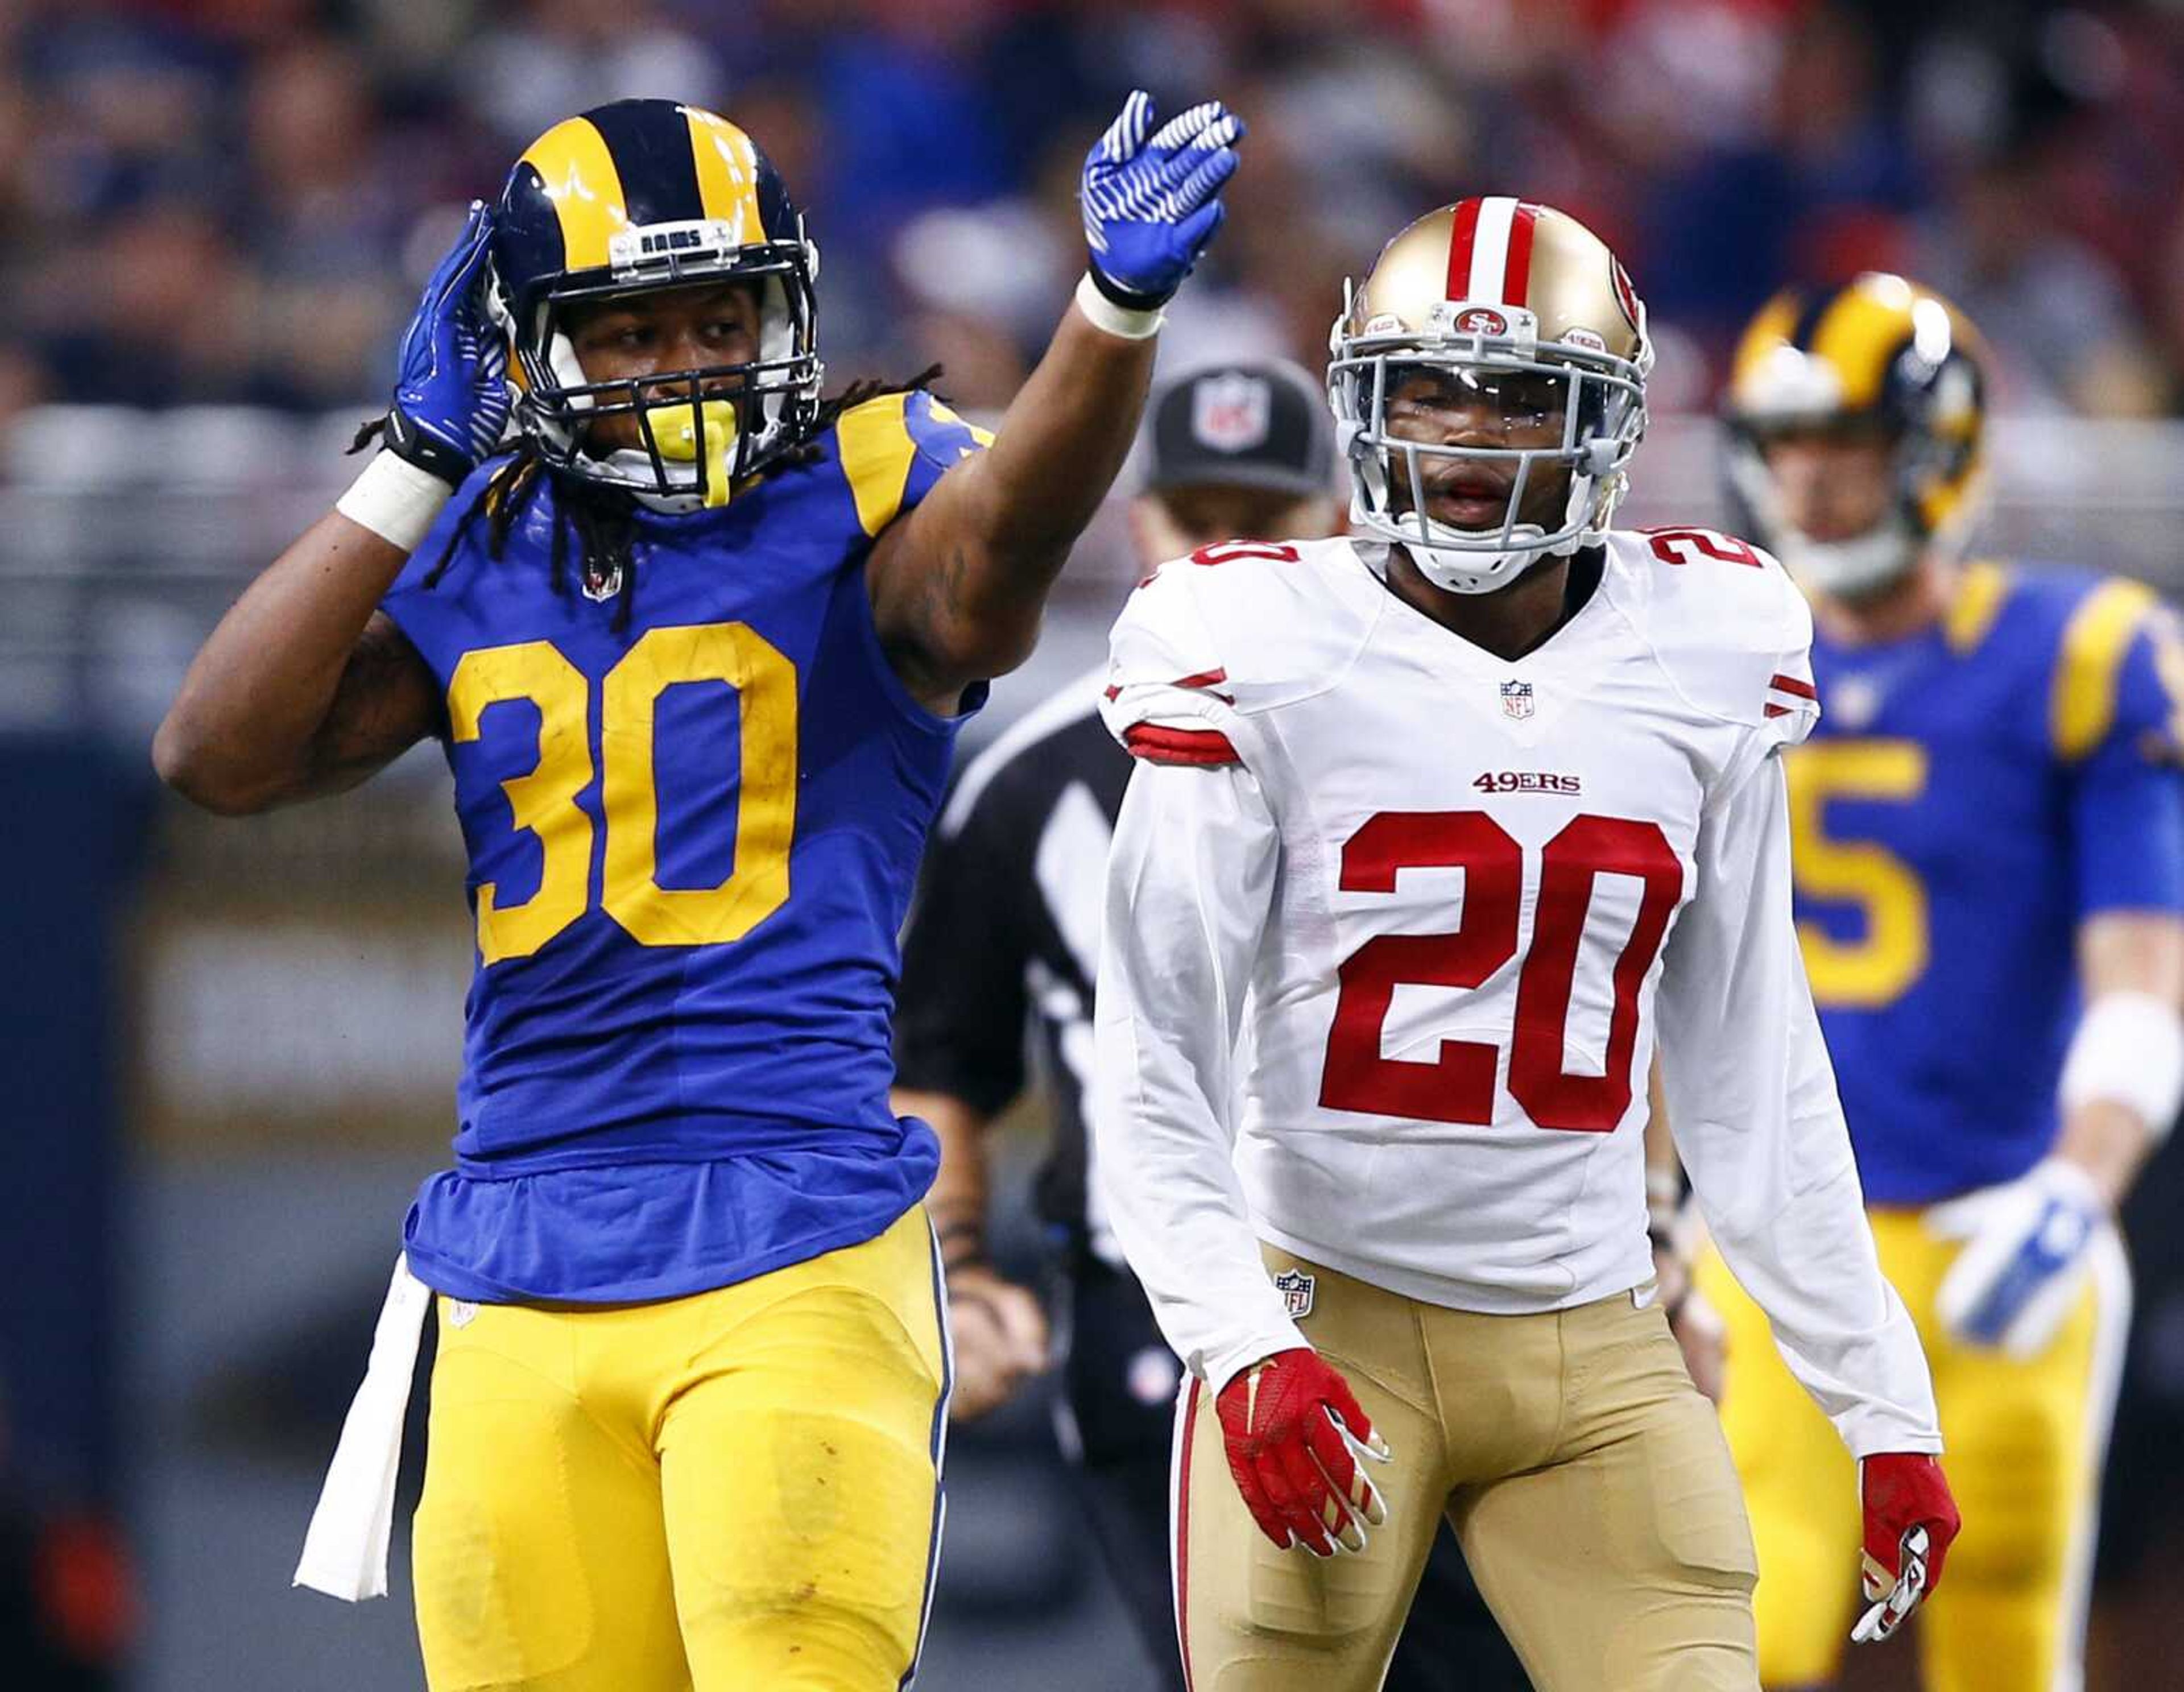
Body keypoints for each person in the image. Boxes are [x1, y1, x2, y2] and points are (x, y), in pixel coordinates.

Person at [151, 91, 1243, 1692]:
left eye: (719, 321)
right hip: (516, 1250)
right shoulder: (481, 525)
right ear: (533, 352)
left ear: (788, 311)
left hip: (789, 1232)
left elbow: (997, 554)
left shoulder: (871, 481)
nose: (684, 370)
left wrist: (1111, 313)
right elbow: (217, 755)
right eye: (633, 331)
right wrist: (409, 466)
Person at [1088, 198, 1962, 1692]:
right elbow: (1153, 1054)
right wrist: (1241, 1344)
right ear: (1369, 402)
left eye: (1519, 396)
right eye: (1432, 389)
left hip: (1595, 1342)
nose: (1473, 439)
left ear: (1606, 425)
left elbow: (1752, 1065)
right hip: (1324, 1314)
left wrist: (1883, 1404)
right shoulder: (1256, 643)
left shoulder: (1711, 642)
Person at [893, 358, 1535, 1692]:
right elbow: (938, 1062)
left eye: (1268, 513)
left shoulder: (1486, 740)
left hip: (1452, 1287)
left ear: (1344, 516)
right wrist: (957, 1271)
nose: (1232, 553)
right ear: (1145, 529)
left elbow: (1607, 1012)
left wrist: (1662, 1250)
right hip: (1164, 1316)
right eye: (1202, 516)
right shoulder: (1030, 785)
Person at [1698, 272, 2184, 1692]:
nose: (1814, 481)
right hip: (1772, 1236)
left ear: (1940, 449)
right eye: (1788, 446)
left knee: (2007, 1640)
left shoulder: (2078, 657)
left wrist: (2078, 1190)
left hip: (1996, 1218)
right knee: (1753, 1625)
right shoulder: (1712, 658)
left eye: (1847, 443)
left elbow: (2145, 972)